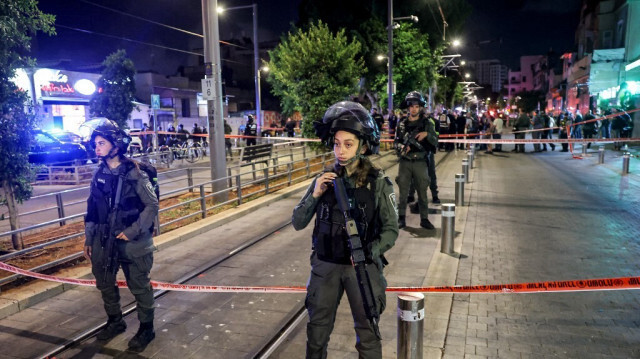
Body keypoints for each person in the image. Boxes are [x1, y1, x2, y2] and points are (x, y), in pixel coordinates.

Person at [292, 101, 398, 359]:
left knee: (368, 335)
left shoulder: (378, 183)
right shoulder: (324, 179)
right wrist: (315, 194)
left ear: (362, 146)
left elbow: (391, 230)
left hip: (360, 269)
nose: (340, 151)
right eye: (337, 143)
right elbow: (298, 221)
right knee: (316, 334)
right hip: (326, 266)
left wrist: (368, 251)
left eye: (348, 144)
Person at [83, 119, 159, 352]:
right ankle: (115, 321)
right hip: (103, 240)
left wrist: (132, 231)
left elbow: (152, 205)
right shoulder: (100, 174)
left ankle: (147, 328)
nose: (97, 147)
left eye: (101, 143)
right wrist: (89, 238)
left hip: (132, 242)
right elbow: (93, 208)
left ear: (115, 145)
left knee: (139, 286)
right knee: (105, 282)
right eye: (95, 143)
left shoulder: (135, 172)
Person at [394, 91, 438, 229]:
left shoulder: (426, 123)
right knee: (403, 193)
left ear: (420, 108)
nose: (414, 109)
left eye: (417, 106)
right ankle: (401, 218)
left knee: (422, 192)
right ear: (408, 108)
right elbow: (395, 142)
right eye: (411, 106)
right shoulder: (401, 124)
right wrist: (401, 146)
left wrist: (427, 134)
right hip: (405, 162)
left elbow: (436, 141)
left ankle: (424, 219)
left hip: (420, 162)